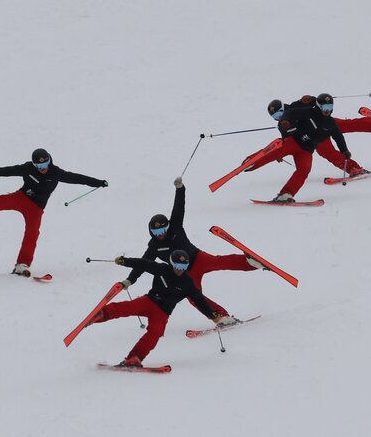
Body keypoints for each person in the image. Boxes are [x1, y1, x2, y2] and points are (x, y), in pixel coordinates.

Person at [124, 176, 267, 325]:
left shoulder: (175, 227)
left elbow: (179, 207)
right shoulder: (154, 246)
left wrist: (180, 189)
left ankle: (250, 263)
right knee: (194, 297)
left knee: (220, 262)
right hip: (185, 273)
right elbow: (143, 263)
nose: (161, 234)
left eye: (163, 229)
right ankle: (221, 317)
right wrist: (130, 280)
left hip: (198, 258)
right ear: (151, 232)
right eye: (156, 231)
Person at [0, 148, 108, 276]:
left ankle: (22, 265)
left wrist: (98, 183)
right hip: (22, 197)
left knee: (32, 233)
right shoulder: (28, 168)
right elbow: (9, 171)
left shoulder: (55, 172)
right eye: (39, 165)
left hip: (36, 208)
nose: (43, 168)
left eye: (46, 163)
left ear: (50, 160)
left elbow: (77, 178)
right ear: (34, 164)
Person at [88, 250, 231, 367]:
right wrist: (125, 261)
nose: (180, 270)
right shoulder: (163, 269)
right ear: (172, 263)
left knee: (155, 334)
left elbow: (200, 301)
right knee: (126, 307)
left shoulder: (188, 283)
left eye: (183, 267)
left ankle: (134, 359)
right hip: (149, 301)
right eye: (177, 266)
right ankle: (101, 314)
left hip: (162, 312)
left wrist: (213, 316)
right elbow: (143, 264)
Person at [242, 93, 353, 203]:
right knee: (277, 151)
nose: (327, 110)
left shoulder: (331, 123)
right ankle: (252, 162)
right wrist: (285, 120)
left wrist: (344, 150)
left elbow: (338, 137)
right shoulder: (310, 112)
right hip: (294, 142)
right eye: (324, 107)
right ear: (319, 106)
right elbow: (291, 112)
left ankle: (286, 194)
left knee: (304, 170)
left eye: (330, 107)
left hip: (306, 151)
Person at [266, 95, 371, 177]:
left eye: (279, 114)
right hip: (315, 137)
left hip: (324, 122)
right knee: (328, 152)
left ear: (284, 108)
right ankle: (353, 169)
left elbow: (316, 102)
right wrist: (280, 152)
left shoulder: (295, 106)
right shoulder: (282, 125)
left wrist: (310, 99)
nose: (279, 118)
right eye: (275, 117)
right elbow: (287, 140)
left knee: (349, 124)